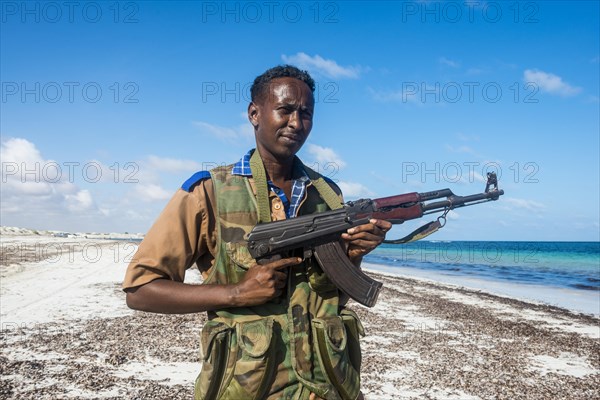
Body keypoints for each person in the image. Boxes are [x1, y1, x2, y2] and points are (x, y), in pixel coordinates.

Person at [123, 65, 392, 400]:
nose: (296, 123)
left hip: (327, 386)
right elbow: (140, 290)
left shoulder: (327, 196)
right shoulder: (210, 192)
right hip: (247, 387)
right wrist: (236, 293)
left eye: (306, 113)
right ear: (254, 113)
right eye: (285, 110)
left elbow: (332, 300)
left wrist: (354, 258)